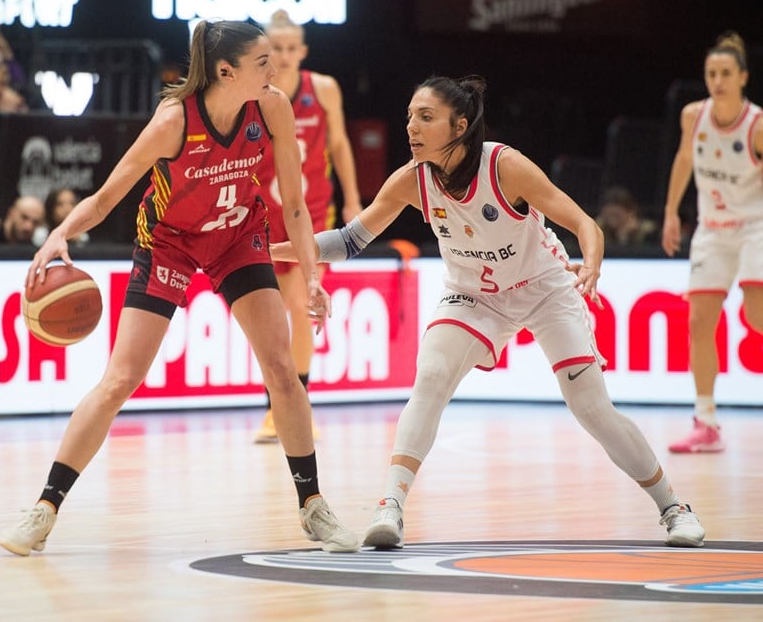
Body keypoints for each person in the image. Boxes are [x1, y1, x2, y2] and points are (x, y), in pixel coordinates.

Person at [273, 75, 706, 549]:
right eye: (409, 118)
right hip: (473, 295)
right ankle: (391, 506)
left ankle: (673, 507)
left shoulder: (505, 166)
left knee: (592, 409)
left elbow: (583, 223)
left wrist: (593, 266)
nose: (411, 128)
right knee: (432, 374)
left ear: (460, 125)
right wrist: (269, 250)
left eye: (425, 117)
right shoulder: (411, 179)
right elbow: (349, 240)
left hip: (544, 289)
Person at [0, 19, 358, 556]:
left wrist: (310, 276)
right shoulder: (172, 122)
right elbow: (105, 197)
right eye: (263, 62)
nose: (274, 70)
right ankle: (44, 508)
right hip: (170, 244)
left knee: (282, 370)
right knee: (120, 380)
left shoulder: (273, 106)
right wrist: (57, 236)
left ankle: (313, 506)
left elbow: (297, 205)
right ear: (225, 71)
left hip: (238, 237)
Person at [252, 9, 364, 443]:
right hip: (263, 214)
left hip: (312, 213)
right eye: (273, 49)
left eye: (288, 48)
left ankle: (296, 408)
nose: (282, 55)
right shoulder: (254, 92)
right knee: (271, 315)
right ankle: (275, 409)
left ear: (302, 51)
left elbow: (339, 143)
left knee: (301, 307)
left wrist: (353, 198)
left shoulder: (323, 89)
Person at [661, 31, 763, 454]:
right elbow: (685, 159)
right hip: (712, 230)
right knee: (699, 323)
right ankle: (706, 423)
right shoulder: (692, 116)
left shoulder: (757, 125)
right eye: (710, 73)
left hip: (755, 227)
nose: (717, 80)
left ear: (742, 77)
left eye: (725, 73)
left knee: (757, 318)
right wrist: (670, 212)